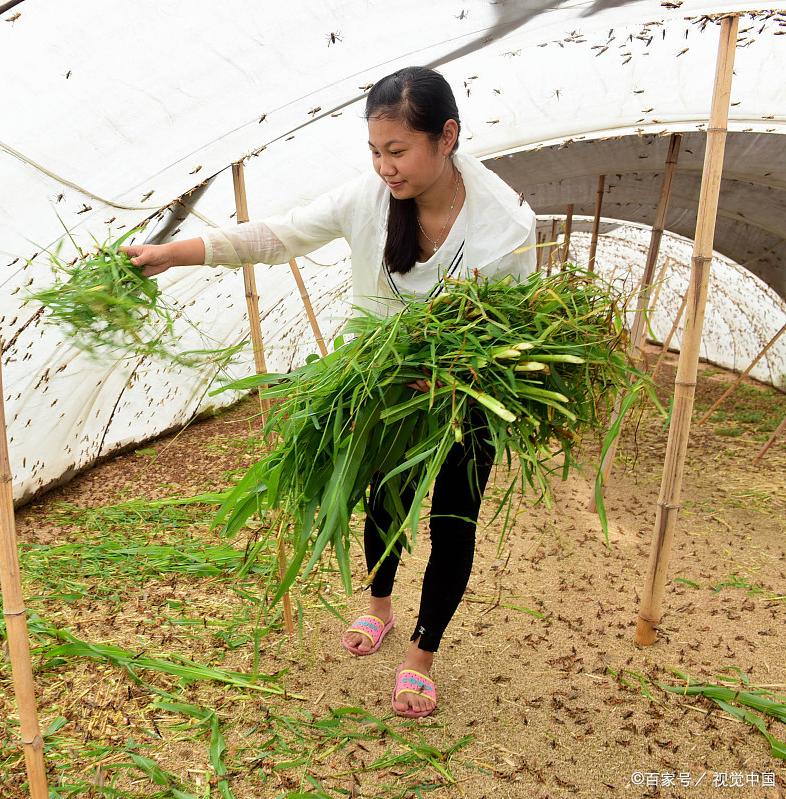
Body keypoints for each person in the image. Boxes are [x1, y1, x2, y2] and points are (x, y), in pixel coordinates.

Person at [124, 66, 536, 718]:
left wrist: (453, 373)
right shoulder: (367, 201)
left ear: (446, 136)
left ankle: (422, 654)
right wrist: (173, 252)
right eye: (375, 151)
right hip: (379, 383)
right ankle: (379, 606)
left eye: (397, 151)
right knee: (382, 500)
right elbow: (277, 234)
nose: (384, 167)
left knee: (453, 518)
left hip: (465, 393)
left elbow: (508, 331)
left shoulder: (505, 224)